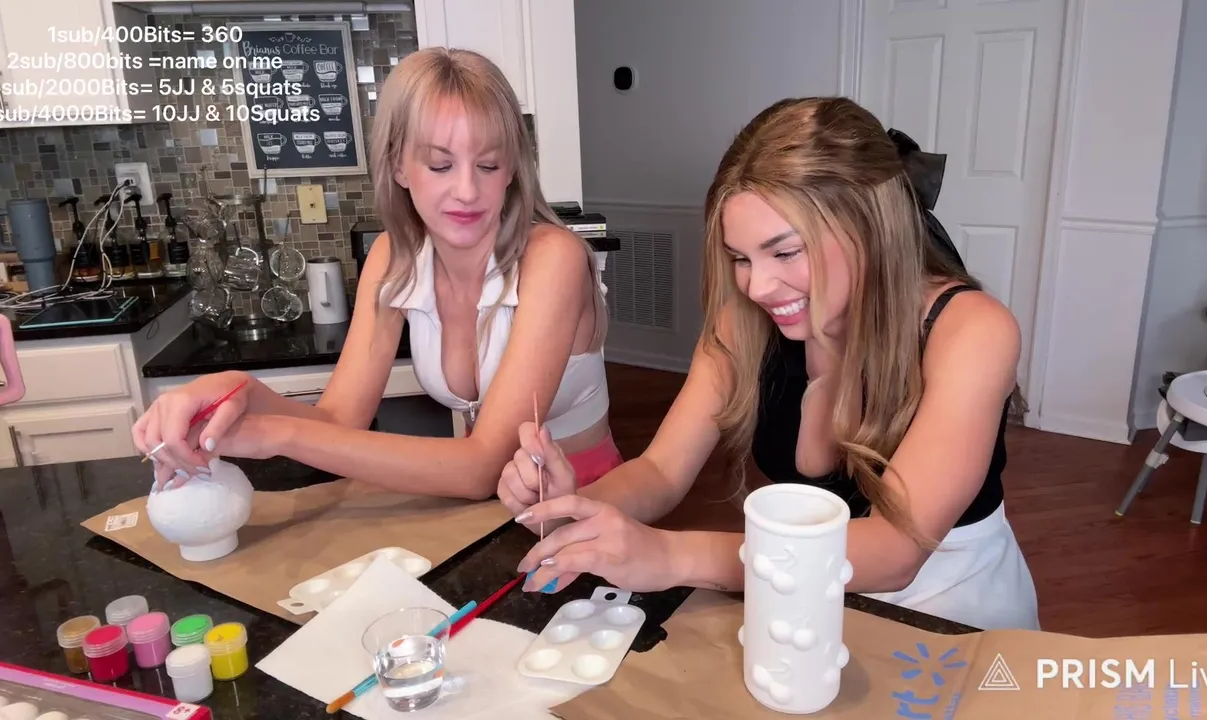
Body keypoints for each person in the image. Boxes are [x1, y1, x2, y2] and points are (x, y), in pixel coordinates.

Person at [498, 96, 1040, 631]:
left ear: (870, 227)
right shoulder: (745, 324)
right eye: (740, 258)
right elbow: (660, 471)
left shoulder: (970, 331)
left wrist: (670, 555)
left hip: (953, 619)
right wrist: (573, 509)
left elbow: (895, 550)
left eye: (784, 252)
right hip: (805, 602)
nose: (757, 287)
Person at [132, 47, 620, 499]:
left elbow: (480, 466)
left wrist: (277, 434)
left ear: (512, 169)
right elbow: (339, 419)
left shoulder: (553, 259)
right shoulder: (393, 257)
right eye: (441, 165)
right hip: (485, 506)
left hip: (586, 497)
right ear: (399, 166)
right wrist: (237, 390)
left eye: (489, 165)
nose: (468, 191)